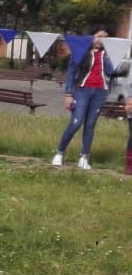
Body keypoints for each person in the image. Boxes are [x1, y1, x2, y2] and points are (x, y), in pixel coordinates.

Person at [52, 29, 114, 170]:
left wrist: (108, 55)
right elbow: (71, 73)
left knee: (90, 125)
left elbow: (111, 71)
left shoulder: (107, 55)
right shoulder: (81, 52)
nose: (100, 40)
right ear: (91, 37)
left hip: (100, 93)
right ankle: (59, 153)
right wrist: (69, 94)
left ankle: (84, 157)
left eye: (105, 38)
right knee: (76, 122)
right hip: (82, 91)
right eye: (98, 37)